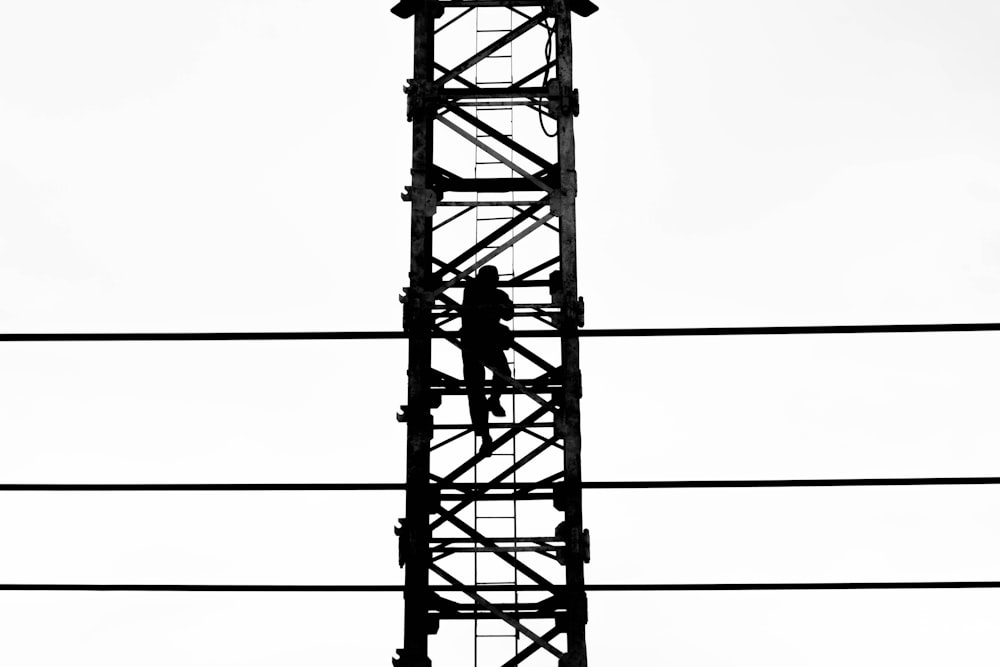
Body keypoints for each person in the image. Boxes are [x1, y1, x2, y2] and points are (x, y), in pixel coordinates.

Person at [461, 265, 514, 451]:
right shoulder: (474, 291)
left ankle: (493, 401)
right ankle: (484, 434)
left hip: (482, 341)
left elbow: (509, 314)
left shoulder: (494, 293)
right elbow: (507, 314)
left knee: (498, 375)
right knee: (476, 389)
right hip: (474, 341)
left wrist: (501, 306)